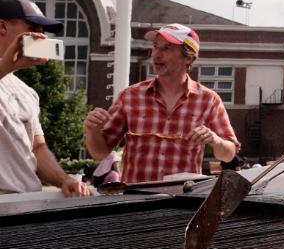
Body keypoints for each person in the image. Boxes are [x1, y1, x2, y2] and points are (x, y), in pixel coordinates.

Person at [84, 24, 240, 184]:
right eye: (155, 47)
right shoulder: (130, 96)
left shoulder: (208, 99)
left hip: (182, 199)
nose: (156, 55)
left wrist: (215, 140)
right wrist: (92, 130)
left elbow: (228, 154)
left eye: (166, 48)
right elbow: (100, 153)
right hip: (136, 199)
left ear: (188, 58)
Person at [0, 0, 91, 197]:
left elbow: (38, 148)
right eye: (34, 27)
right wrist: (7, 65)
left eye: (43, 31)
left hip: (25, 200)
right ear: (2, 27)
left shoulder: (26, 92)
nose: (41, 36)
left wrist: (64, 179)